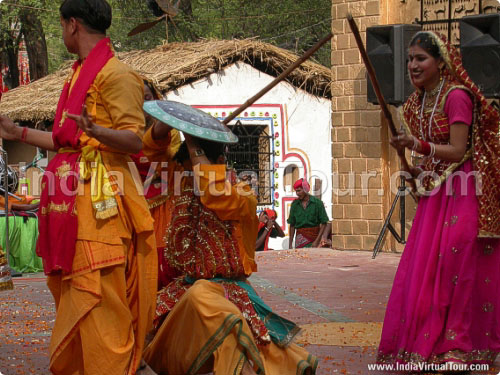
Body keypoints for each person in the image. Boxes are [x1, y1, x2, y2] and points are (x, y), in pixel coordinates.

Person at [0, 1, 157, 374]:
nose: (62, 33)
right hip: (72, 203)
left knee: (100, 304)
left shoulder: (116, 75)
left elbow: (137, 141)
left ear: (72, 24)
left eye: (61, 26)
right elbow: (66, 138)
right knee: (77, 299)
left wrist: (97, 131)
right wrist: (15, 131)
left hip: (102, 207)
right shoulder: (77, 75)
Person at [141, 118, 318, 374]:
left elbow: (213, 194)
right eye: (189, 170)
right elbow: (152, 153)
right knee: (146, 326)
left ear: (221, 165)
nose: (191, 176)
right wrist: (172, 123)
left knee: (223, 317)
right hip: (185, 289)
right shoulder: (183, 183)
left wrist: (193, 144)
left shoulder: (242, 195)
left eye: (197, 168)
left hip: (225, 289)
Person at [377, 31, 500, 370]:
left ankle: (458, 347)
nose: (412, 65)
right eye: (409, 59)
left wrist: (416, 146)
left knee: (456, 263)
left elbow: (459, 151)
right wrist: (416, 171)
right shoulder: (417, 102)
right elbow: (433, 160)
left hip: (466, 189)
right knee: (428, 269)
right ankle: (434, 344)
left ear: (441, 62)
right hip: (438, 195)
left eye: (420, 58)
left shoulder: (456, 96)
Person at [130, 79, 181, 289]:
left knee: (164, 263)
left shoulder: (170, 132)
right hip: (131, 207)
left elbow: (175, 163)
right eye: (137, 98)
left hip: (163, 205)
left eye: (147, 98)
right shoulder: (123, 132)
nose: (143, 103)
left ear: (156, 99)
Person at [287, 178, 329, 248]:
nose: (297, 193)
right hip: (300, 239)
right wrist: (290, 245)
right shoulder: (294, 204)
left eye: (299, 191)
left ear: (305, 190)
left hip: (315, 238)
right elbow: (292, 225)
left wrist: (317, 241)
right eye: (296, 191)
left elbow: (324, 223)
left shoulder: (317, 203)